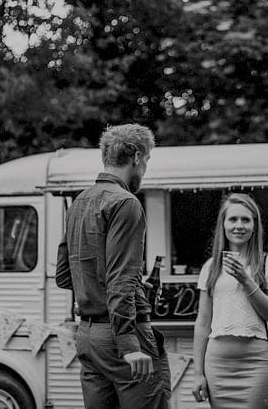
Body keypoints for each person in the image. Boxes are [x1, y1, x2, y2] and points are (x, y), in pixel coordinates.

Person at [55, 124, 171, 408]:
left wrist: (93, 289)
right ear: (136, 156)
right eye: (146, 160)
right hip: (120, 334)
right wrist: (129, 344)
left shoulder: (79, 203)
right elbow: (120, 279)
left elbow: (63, 275)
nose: (145, 168)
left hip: (88, 336)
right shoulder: (126, 203)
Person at [191, 194, 268, 407]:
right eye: (232, 219)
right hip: (217, 365)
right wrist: (198, 374)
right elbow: (202, 323)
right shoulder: (211, 267)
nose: (239, 226)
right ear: (222, 225)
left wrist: (246, 280)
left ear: (255, 225)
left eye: (246, 220)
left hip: (256, 364)